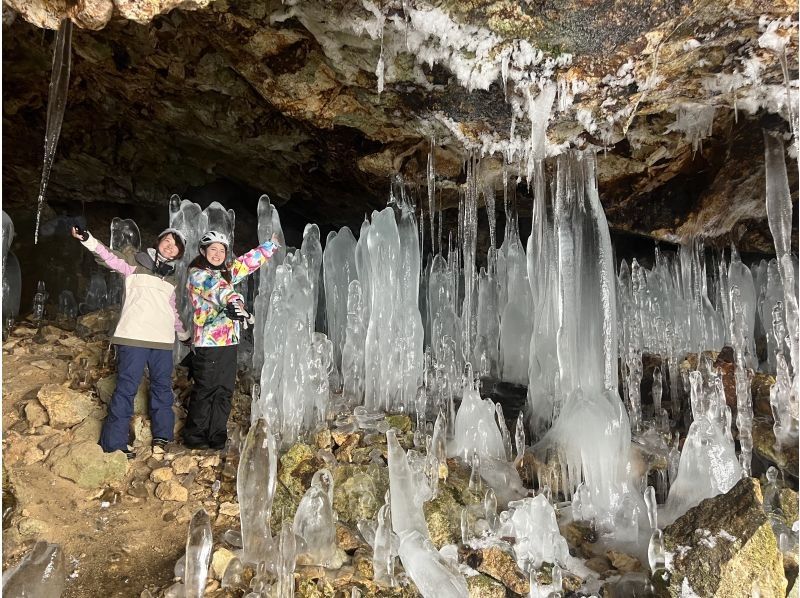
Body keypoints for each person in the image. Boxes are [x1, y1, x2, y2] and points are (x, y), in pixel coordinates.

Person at [71, 225, 191, 458]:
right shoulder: (135, 262)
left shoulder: (173, 278)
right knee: (126, 388)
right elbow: (108, 256)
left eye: (176, 245)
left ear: (179, 253)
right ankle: (114, 443)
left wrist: (184, 335)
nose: (170, 245)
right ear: (158, 242)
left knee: (162, 388)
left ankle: (162, 437)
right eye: (167, 240)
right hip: (133, 336)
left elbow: (173, 310)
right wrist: (88, 238)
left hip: (162, 342)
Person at [182, 230, 279, 449]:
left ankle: (216, 435)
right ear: (203, 251)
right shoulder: (197, 274)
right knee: (206, 389)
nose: (217, 254)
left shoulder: (225, 273)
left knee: (224, 390)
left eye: (222, 250)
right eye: (213, 249)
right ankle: (195, 436)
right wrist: (235, 303)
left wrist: (269, 247)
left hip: (229, 342)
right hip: (208, 343)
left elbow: (245, 264)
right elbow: (219, 291)